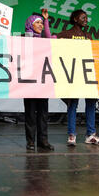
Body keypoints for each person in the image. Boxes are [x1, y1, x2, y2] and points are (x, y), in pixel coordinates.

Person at [56, 9, 99, 146]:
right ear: (75, 19)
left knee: (91, 104)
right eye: (83, 17)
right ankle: (71, 135)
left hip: (88, 74)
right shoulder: (66, 34)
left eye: (87, 18)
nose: (86, 20)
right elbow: (51, 41)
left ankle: (91, 135)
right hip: (73, 74)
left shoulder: (88, 36)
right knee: (72, 104)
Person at [21, 9, 56, 152]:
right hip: (29, 82)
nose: (41, 25)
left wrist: (46, 20)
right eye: (38, 23)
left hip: (43, 82)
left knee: (43, 113)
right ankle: (30, 141)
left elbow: (49, 37)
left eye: (42, 23)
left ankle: (43, 140)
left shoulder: (45, 41)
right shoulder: (24, 39)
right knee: (30, 113)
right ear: (30, 24)